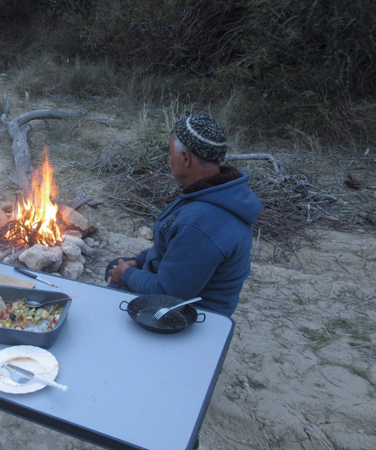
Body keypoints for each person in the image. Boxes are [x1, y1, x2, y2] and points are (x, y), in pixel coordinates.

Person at [106, 114, 262, 316]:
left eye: (170, 152)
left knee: (108, 296)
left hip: (190, 313)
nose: (169, 159)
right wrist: (137, 262)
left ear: (186, 158)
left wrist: (126, 274)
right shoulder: (218, 192)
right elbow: (172, 245)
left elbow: (167, 294)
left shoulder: (201, 222)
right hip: (180, 288)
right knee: (114, 266)